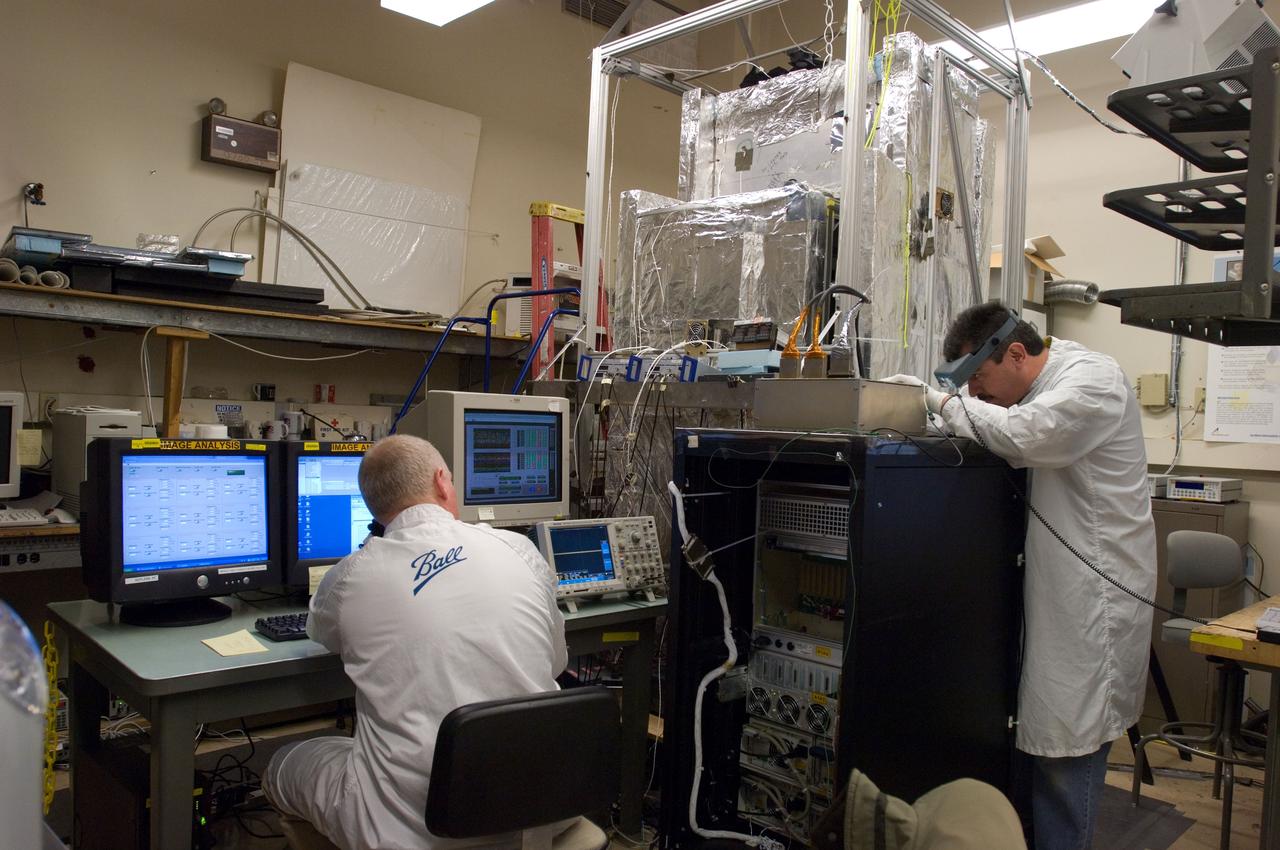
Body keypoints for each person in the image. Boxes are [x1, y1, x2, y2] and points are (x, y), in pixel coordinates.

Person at [884, 302, 1156, 850]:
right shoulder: (1032, 388)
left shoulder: (1093, 380)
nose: (978, 394)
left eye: (980, 379)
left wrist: (939, 401)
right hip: (1051, 592)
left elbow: (1026, 436)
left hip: (1093, 597)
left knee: (1066, 752)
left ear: (1015, 353)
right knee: (1039, 747)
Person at [263, 434, 568, 850]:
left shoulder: (351, 576)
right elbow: (553, 663)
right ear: (443, 481)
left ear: (374, 508)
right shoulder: (519, 550)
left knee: (281, 763)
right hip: (542, 812)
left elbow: (322, 633)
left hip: (411, 832)